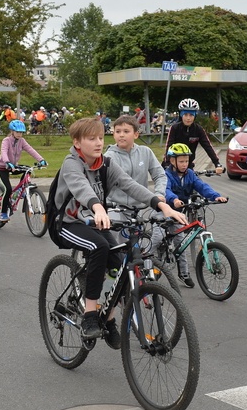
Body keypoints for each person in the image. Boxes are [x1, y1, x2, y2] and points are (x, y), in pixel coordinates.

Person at [52, 117, 186, 345]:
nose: (98, 143)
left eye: (100, 138)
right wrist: (97, 207)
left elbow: (129, 185)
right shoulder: (71, 163)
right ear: (77, 142)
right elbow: (81, 187)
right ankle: (90, 316)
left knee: (122, 265)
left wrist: (161, 204)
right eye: (91, 138)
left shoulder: (105, 163)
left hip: (93, 221)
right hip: (66, 223)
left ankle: (110, 318)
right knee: (100, 247)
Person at [163, 143, 228, 287]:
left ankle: (184, 273)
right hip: (164, 211)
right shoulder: (166, 175)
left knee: (181, 243)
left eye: (186, 161)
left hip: (179, 213)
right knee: (156, 240)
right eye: (181, 161)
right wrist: (174, 199)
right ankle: (151, 268)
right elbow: (165, 190)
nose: (184, 164)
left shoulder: (190, 174)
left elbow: (201, 186)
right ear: (172, 161)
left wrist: (215, 196)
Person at [104, 113, 168, 247]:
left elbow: (159, 174)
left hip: (139, 209)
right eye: (118, 131)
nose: (121, 135)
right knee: (115, 248)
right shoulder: (109, 156)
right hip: (116, 209)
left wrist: (159, 194)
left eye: (126, 131)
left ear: (136, 134)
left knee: (136, 249)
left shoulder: (145, 152)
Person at [0, 120, 46, 222]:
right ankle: (3, 213)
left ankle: (20, 190)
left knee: (28, 169)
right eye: (17, 132)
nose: (20, 134)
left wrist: (41, 159)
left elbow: (30, 150)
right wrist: (7, 162)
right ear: (12, 131)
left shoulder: (22, 141)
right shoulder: (6, 140)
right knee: (8, 189)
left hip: (13, 166)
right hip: (3, 167)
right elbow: (4, 152)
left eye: (21, 132)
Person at [164, 98, 224, 173]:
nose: (188, 118)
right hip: (173, 165)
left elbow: (208, 147)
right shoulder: (175, 128)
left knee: (197, 184)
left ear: (195, 116)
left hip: (187, 165)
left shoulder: (198, 129)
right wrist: (167, 164)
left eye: (191, 115)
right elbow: (168, 146)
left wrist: (217, 163)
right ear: (181, 115)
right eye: (185, 115)